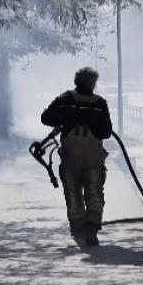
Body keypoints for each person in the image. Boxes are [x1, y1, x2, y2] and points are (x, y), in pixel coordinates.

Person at [41, 66, 113, 245]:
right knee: (94, 193)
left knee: (73, 195)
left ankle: (79, 229)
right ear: (93, 84)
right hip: (93, 159)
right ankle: (91, 229)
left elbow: (46, 118)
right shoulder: (99, 103)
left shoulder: (64, 99)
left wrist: (64, 118)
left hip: (70, 159)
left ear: (76, 81)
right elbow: (106, 133)